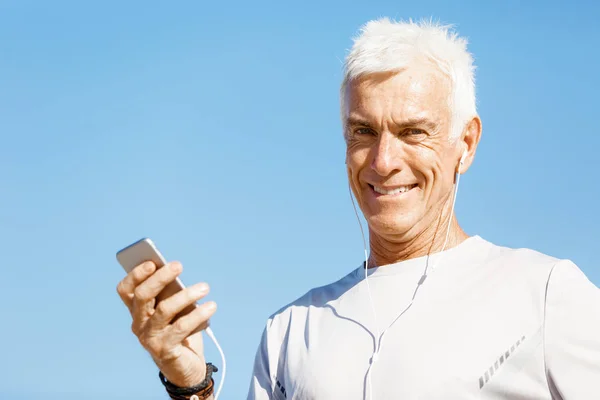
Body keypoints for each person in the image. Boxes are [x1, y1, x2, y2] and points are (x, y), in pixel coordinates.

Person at [116, 18, 600, 400]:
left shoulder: (545, 294)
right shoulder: (291, 329)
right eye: (363, 132)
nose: (384, 162)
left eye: (413, 132)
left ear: (466, 144)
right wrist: (191, 385)